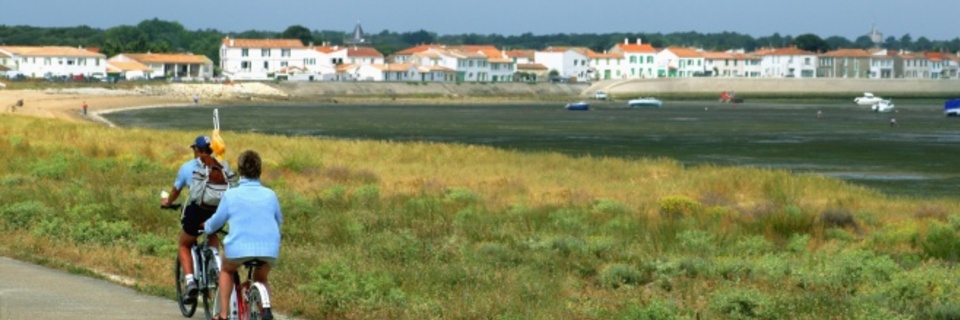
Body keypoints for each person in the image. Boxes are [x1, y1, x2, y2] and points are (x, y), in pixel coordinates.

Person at [204, 150, 282, 320]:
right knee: (261, 278)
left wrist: (207, 227)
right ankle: (265, 311)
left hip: (239, 249)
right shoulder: (271, 195)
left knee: (226, 270)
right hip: (269, 249)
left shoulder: (231, 195)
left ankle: (223, 314)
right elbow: (278, 220)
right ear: (259, 170)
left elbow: (216, 222)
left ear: (240, 171)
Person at [161, 135, 232, 304]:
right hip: (217, 212)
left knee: (184, 244)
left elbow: (175, 191)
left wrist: (167, 202)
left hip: (197, 212)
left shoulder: (187, 168)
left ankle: (190, 281)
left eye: (194, 149)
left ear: (198, 151)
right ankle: (214, 267)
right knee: (212, 233)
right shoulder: (222, 165)